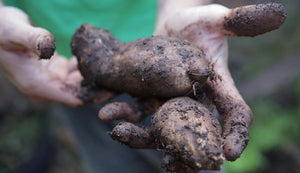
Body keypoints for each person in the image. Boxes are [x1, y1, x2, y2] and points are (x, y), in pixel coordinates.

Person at [0, 0, 285, 172]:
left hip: (163, 35)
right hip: (67, 73)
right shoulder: (92, 57)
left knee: (193, 155)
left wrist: (183, 4)